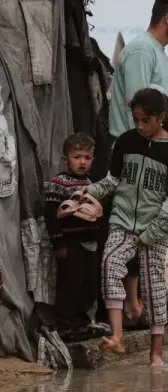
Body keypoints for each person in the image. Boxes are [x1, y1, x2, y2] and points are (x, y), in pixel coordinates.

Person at [77, 88, 168, 366]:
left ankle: (156, 354)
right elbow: (113, 180)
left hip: (155, 230)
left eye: (144, 121)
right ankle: (117, 338)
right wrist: (87, 192)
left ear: (160, 117)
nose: (138, 126)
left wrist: (150, 235)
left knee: (153, 286)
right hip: (122, 221)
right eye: (135, 119)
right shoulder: (127, 141)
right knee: (111, 263)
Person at [103, 0, 168, 326]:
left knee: (148, 230)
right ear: (167, 18)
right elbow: (138, 110)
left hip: (150, 157)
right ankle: (130, 308)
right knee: (131, 228)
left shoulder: (155, 51)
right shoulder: (142, 50)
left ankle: (139, 308)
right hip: (133, 157)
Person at [45, 133, 103, 336]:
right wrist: (58, 242)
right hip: (70, 245)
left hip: (89, 244)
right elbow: (50, 215)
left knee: (89, 285)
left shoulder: (90, 183)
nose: (82, 162)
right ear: (65, 159)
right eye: (77, 157)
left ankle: (83, 323)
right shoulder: (58, 183)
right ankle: (65, 325)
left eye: (87, 158)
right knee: (71, 284)